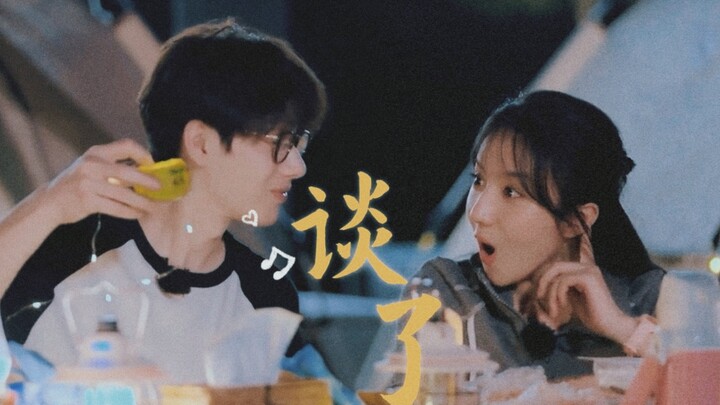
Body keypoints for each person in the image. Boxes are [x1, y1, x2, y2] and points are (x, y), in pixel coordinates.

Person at [0, 18, 327, 384]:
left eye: (299, 144)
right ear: (202, 143)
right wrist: (50, 204)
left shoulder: (266, 294)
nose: (297, 167)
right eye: (280, 143)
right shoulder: (77, 247)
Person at [406, 90, 664, 379]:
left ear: (575, 220)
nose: (479, 213)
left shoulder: (653, 299)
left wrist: (622, 327)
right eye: (479, 180)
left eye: (511, 191)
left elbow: (696, 385)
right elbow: (401, 394)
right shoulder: (447, 290)